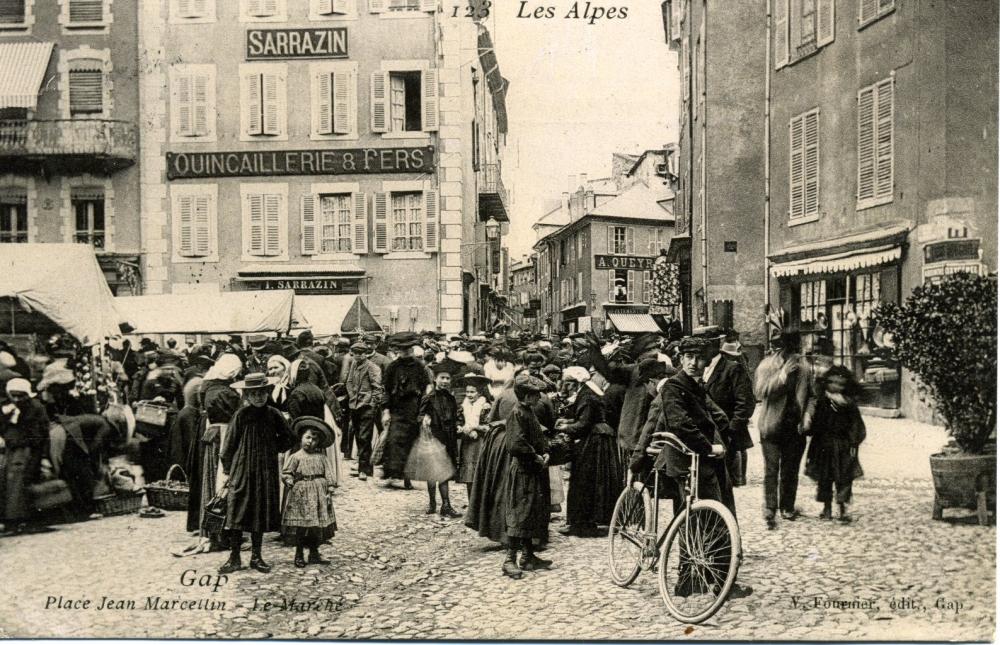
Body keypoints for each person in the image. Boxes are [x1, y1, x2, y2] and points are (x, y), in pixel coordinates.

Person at [629, 336, 753, 599]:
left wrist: (728, 433)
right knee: (713, 520)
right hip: (690, 462)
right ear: (681, 359)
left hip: (707, 462)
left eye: (699, 359)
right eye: (689, 358)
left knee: (695, 520)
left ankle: (690, 580)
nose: (694, 363)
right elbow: (679, 423)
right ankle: (720, 583)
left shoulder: (696, 386)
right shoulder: (673, 388)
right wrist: (708, 446)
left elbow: (715, 413)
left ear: (706, 362)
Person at [218, 373, 298, 574]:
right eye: (253, 394)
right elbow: (228, 445)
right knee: (237, 510)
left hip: (266, 471)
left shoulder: (274, 414)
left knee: (259, 512)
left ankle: (256, 556)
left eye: (262, 393)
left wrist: (273, 448)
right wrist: (228, 470)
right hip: (242, 469)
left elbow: (288, 438)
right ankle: (234, 557)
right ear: (246, 395)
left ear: (267, 392)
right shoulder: (241, 415)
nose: (258, 397)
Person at [754, 330, 813, 529]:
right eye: (790, 350)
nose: (795, 355)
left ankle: (787, 506)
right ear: (781, 350)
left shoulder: (805, 368)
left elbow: (812, 396)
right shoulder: (767, 366)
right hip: (771, 425)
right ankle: (770, 508)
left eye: (797, 350)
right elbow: (760, 391)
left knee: (790, 470)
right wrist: (782, 376)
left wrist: (807, 416)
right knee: (771, 469)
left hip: (794, 426)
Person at [556, 366, 623, 538]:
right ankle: (589, 521)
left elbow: (584, 424)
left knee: (585, 480)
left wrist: (565, 427)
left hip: (595, 442)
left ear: (574, 383)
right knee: (595, 481)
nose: (566, 387)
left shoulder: (586, 395)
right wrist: (570, 421)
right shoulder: (588, 392)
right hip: (599, 438)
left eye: (568, 383)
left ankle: (584, 523)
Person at [502, 373, 553, 579]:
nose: (539, 398)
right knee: (520, 514)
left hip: (532, 469)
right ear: (525, 395)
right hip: (523, 470)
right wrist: (535, 456)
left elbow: (537, 436)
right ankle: (509, 560)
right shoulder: (517, 413)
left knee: (532, 512)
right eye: (535, 394)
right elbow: (515, 444)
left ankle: (528, 556)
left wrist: (545, 450)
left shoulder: (528, 411)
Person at [802, 365, 866, 523]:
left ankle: (836, 508)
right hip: (828, 444)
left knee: (839, 477)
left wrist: (853, 443)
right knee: (831, 477)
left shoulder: (846, 405)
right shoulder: (827, 402)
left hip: (836, 444)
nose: (836, 386)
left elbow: (856, 426)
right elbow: (816, 424)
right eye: (833, 383)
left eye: (840, 384)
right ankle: (832, 508)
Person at [281, 417, 337, 568]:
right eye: (307, 437)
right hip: (302, 494)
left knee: (316, 527)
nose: (310, 441)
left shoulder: (322, 458)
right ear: (301, 438)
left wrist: (330, 488)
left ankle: (314, 553)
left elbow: (329, 474)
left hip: (319, 493)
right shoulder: (295, 457)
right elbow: (287, 472)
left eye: (314, 439)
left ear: (318, 442)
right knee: (301, 526)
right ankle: (299, 554)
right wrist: (288, 480)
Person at [702, 334, 756, 488]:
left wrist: (731, 430)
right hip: (706, 437)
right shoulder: (699, 368)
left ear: (714, 345)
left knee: (725, 486)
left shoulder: (732, 369)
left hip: (727, 437)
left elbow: (746, 403)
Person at [380, 332, 429, 489]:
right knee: (394, 440)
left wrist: (425, 410)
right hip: (397, 408)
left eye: (408, 349)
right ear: (398, 350)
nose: (406, 352)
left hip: (414, 408)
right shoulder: (392, 367)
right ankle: (394, 473)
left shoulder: (420, 366)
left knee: (411, 441)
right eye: (402, 349)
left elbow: (426, 388)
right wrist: (386, 411)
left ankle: (408, 477)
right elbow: (386, 390)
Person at [1, 378, 50, 533]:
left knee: (21, 482)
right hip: (13, 451)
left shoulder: (36, 408)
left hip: (29, 451)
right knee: (9, 483)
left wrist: (42, 456)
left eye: (20, 396)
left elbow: (40, 434)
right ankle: (12, 519)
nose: (16, 399)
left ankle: (20, 520)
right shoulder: (9, 408)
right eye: (13, 396)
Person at [417, 367, 462, 518]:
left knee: (444, 473)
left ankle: (446, 505)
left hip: (448, 438)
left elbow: (455, 417)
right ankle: (432, 502)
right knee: (432, 472)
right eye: (442, 378)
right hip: (433, 437)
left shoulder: (451, 398)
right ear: (435, 379)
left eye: (447, 378)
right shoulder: (428, 398)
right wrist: (425, 420)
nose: (445, 381)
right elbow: (420, 416)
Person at [344, 341, 383, 482]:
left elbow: (377, 388)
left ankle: (363, 470)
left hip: (367, 406)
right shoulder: (354, 365)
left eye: (361, 353)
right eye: (355, 354)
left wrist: (372, 404)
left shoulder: (373, 367)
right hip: (354, 405)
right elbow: (348, 382)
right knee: (358, 437)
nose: (358, 356)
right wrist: (352, 395)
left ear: (366, 353)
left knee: (364, 437)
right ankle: (367, 468)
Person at [456, 375, 492, 496]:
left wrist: (474, 427)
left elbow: (488, 427)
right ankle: (471, 503)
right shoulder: (464, 406)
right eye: (467, 392)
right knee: (469, 474)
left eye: (473, 392)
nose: (469, 395)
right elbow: (459, 422)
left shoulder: (485, 407)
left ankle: (481, 504)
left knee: (480, 473)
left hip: (481, 442)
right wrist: (461, 427)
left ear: (479, 392)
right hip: (467, 443)